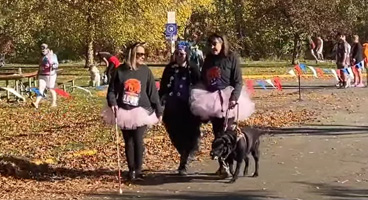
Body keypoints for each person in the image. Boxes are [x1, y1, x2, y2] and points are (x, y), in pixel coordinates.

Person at [189, 33, 255, 176]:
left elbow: (238, 81)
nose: (212, 47)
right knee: (217, 134)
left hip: (228, 100)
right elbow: (203, 78)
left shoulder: (231, 58)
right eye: (210, 44)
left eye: (215, 44)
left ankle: (231, 163)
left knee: (228, 134)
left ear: (222, 43)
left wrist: (234, 97)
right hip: (212, 100)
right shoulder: (208, 60)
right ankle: (223, 166)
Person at [101, 42, 163, 181]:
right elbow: (112, 90)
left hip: (141, 111)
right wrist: (113, 103)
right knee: (128, 141)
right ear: (132, 55)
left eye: (143, 54)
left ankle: (138, 169)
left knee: (138, 140)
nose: (142, 57)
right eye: (139, 54)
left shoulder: (146, 71)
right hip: (124, 110)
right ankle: (131, 170)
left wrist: (159, 111)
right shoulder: (120, 71)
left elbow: (153, 93)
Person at [159, 43, 201, 175]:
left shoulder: (193, 68)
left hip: (189, 107)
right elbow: (163, 86)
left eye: (181, 54)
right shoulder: (170, 68)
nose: (178, 56)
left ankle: (184, 161)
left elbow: (199, 86)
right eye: (176, 53)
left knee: (189, 133)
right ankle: (184, 152)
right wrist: (160, 100)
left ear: (187, 55)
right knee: (174, 132)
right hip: (173, 106)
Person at [32, 43, 59, 108]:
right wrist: (38, 73)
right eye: (42, 49)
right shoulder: (41, 56)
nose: (43, 50)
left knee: (51, 88)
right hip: (42, 75)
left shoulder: (53, 55)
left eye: (44, 49)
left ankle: (54, 103)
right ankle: (36, 103)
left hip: (50, 75)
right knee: (40, 89)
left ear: (48, 49)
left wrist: (53, 65)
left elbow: (56, 65)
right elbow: (40, 66)